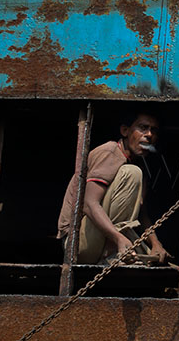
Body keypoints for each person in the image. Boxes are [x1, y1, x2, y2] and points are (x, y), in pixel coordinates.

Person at [57, 112, 170, 265]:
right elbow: (89, 204)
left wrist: (156, 244)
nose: (149, 134)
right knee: (131, 173)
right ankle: (111, 253)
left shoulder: (141, 166)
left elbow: (142, 213)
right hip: (78, 243)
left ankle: (116, 250)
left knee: (157, 260)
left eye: (154, 130)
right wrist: (118, 238)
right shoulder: (110, 152)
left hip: (107, 238)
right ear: (125, 131)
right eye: (143, 128)